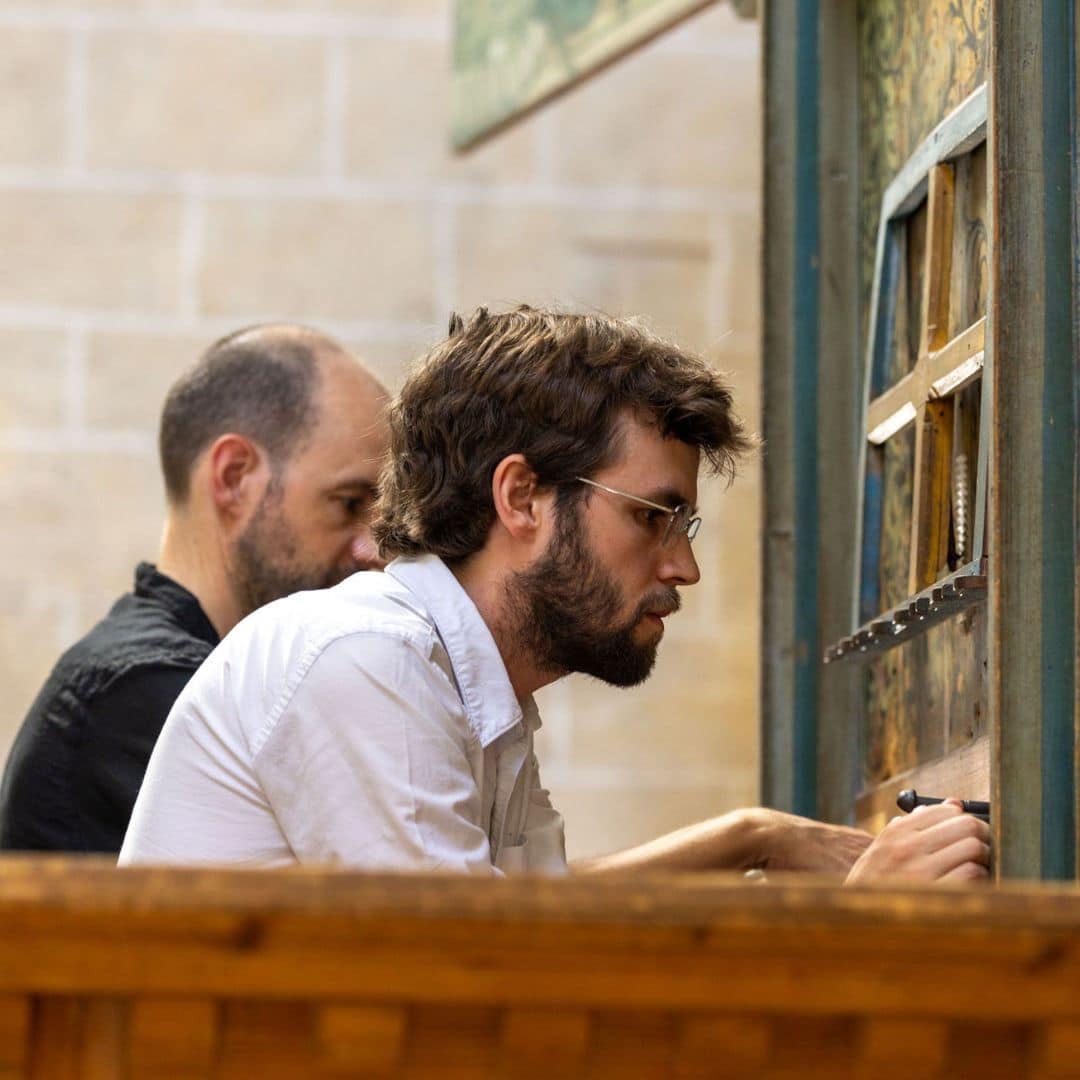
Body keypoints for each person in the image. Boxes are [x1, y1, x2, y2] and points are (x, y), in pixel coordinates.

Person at [120, 307, 990, 882]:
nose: (682, 569)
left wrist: (758, 836)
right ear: (522, 497)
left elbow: (550, 930)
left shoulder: (466, 688)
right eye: (654, 517)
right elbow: (496, 999)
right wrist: (860, 925)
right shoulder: (365, 661)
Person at [0, 324, 389, 854]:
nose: (375, 551)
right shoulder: (144, 691)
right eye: (348, 503)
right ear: (234, 478)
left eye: (384, 515)